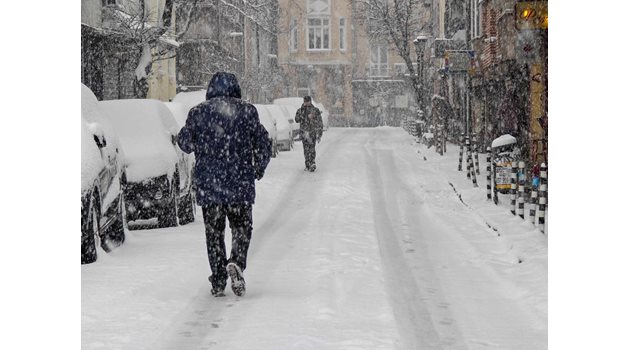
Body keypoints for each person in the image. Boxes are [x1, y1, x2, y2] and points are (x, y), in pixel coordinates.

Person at [177, 72, 272, 297]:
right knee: (241, 227)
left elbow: (185, 143)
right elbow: (263, 144)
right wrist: (258, 167)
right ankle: (237, 261)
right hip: (240, 184)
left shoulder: (198, 112)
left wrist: (197, 138)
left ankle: (218, 279)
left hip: (210, 186)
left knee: (214, 232)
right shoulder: (248, 112)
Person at [294, 96, 323, 172]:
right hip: (304, 132)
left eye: (308, 101)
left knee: (312, 148)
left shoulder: (315, 110)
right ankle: (307, 164)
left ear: (310, 101)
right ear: (303, 102)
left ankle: (312, 162)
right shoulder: (300, 110)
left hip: (312, 132)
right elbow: (296, 119)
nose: (306, 103)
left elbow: (320, 122)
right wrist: (304, 116)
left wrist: (319, 134)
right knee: (306, 149)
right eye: (305, 102)